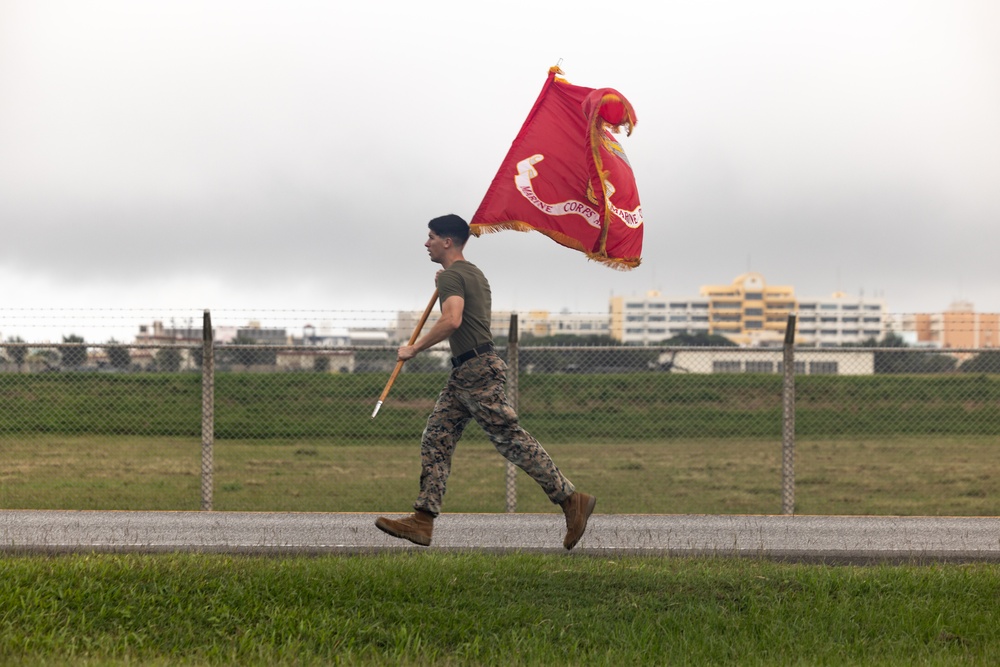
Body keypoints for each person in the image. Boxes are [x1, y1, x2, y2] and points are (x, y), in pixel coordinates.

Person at [375, 214, 597, 550]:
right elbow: (461, 307)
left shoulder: (454, 276)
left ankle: (571, 500)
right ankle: (423, 519)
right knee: (436, 438)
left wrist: (414, 348)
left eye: (431, 237)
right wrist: (444, 283)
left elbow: (452, 320)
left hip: (477, 370)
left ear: (447, 241)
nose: (426, 243)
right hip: (466, 371)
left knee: (510, 438)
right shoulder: (471, 274)